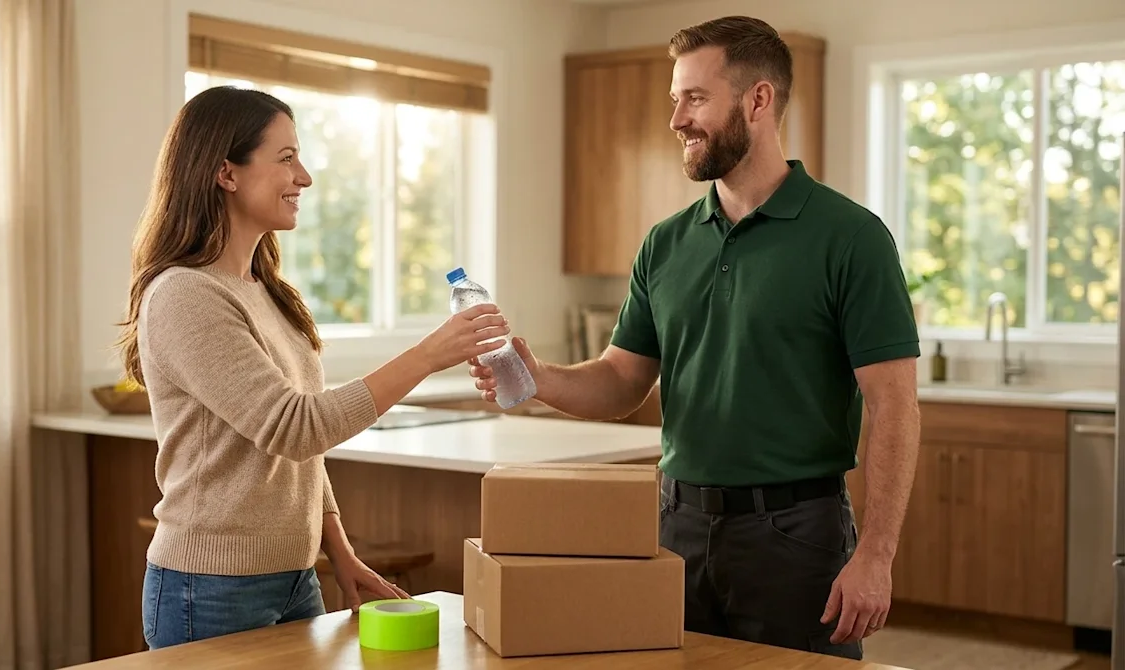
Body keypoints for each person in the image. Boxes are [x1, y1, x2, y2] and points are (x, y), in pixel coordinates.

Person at [469, 15, 920, 661]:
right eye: (674, 99)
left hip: (794, 534)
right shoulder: (666, 242)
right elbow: (621, 382)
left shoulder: (849, 237)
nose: (676, 119)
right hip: (673, 526)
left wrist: (875, 556)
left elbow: (896, 406)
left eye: (695, 98)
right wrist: (537, 375)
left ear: (757, 99)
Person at [117, 85, 511, 650]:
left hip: (295, 577)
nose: (304, 177)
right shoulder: (185, 294)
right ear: (226, 173)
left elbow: (298, 461)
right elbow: (295, 428)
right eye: (285, 158)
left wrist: (340, 553)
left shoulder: (266, 292)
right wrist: (428, 355)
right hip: (208, 588)